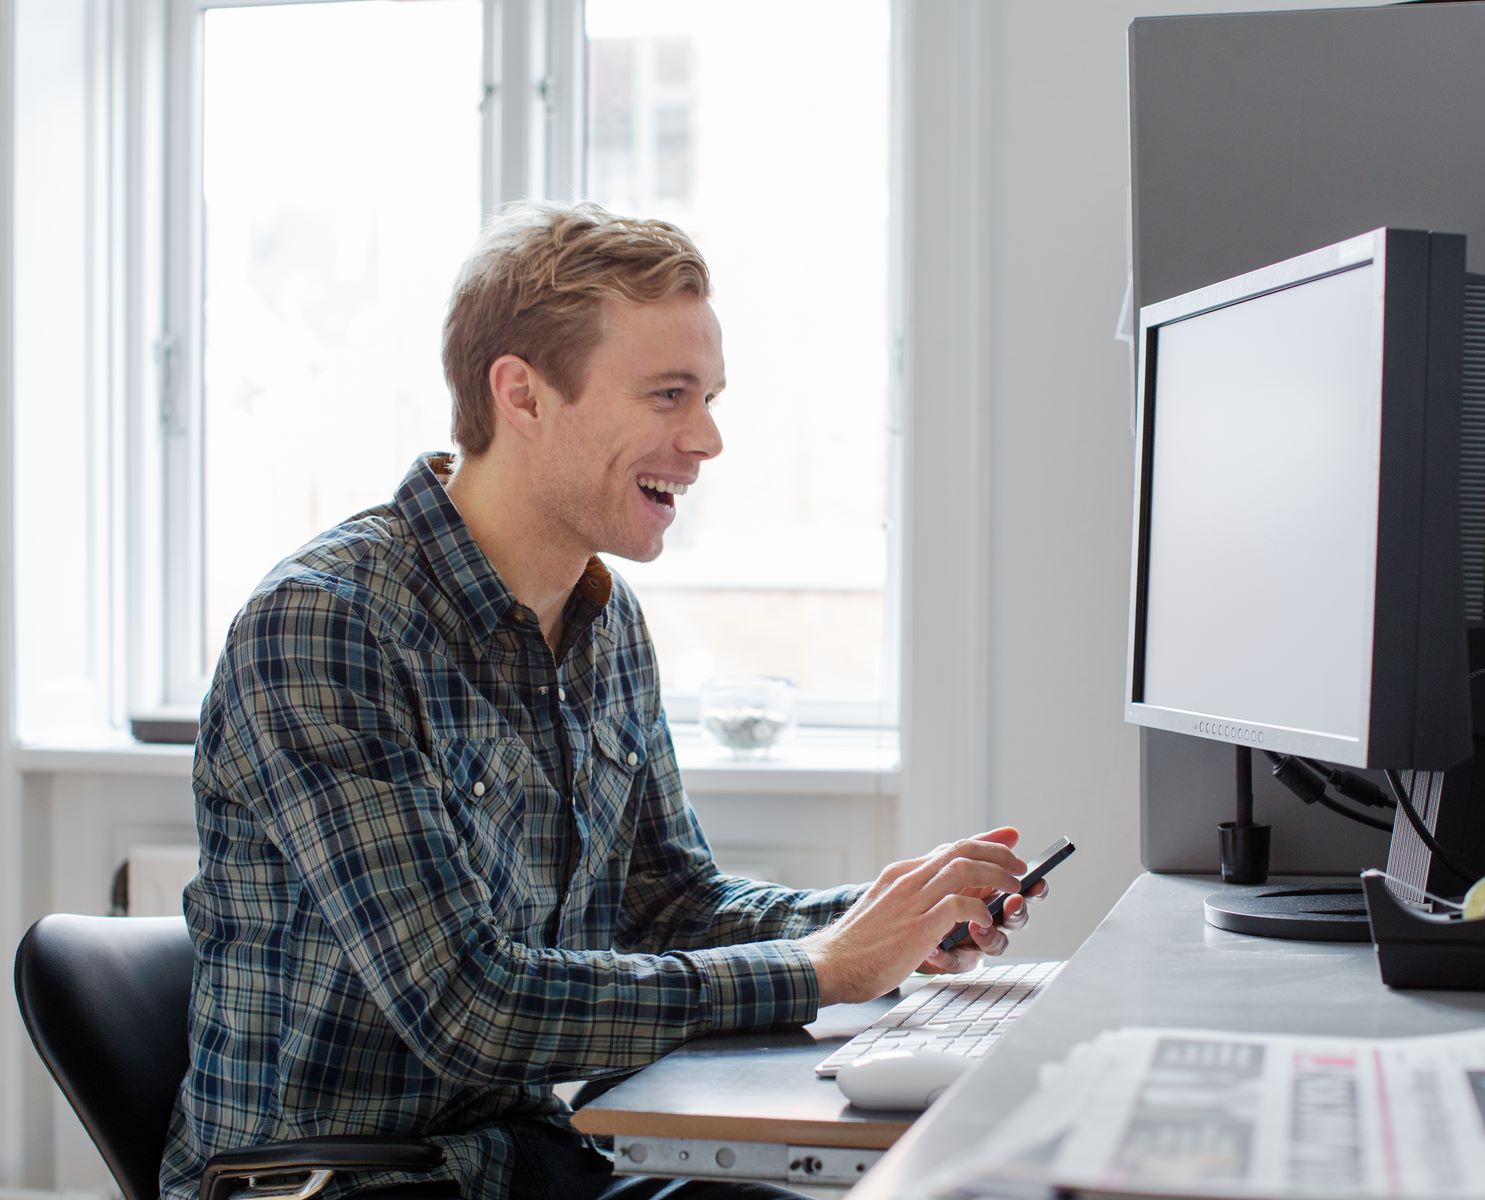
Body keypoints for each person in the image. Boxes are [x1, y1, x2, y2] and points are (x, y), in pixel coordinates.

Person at [160, 203, 1045, 1200]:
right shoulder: (327, 624)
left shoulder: (603, 621)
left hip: (523, 1162)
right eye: (669, 395)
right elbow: (467, 1008)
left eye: (708, 396)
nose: (706, 437)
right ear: (523, 395)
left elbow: (670, 906)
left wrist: (887, 919)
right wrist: (820, 969)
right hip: (339, 1185)